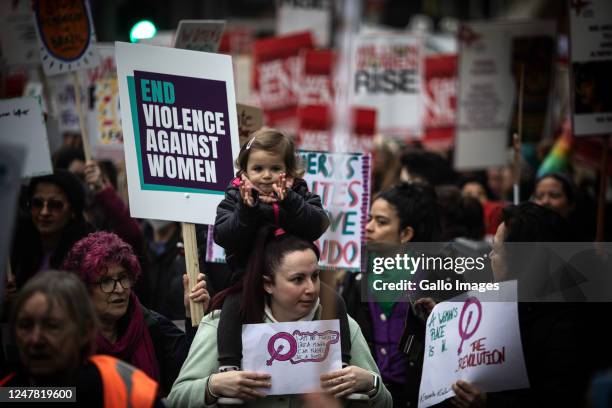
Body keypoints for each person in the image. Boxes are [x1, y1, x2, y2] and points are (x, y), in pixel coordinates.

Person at [167, 228, 393, 407]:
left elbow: (387, 402)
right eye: (298, 279)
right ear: (268, 284)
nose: (312, 288)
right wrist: (212, 386)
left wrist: (371, 384)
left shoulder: (343, 325)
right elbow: (176, 399)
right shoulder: (221, 325)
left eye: (315, 276)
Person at [407, 202, 599, 407]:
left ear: (522, 261)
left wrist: (488, 402)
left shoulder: (565, 325)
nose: (491, 257)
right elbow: (474, 335)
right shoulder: (512, 301)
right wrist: (443, 319)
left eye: (497, 250)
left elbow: (558, 397)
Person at [212, 128, 350, 380]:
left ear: (289, 171)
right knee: (233, 305)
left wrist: (291, 202)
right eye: (258, 168)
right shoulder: (235, 198)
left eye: (275, 168)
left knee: (335, 301)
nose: (266, 176)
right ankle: (229, 365)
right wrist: (246, 210)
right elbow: (223, 235)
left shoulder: (301, 195)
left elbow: (318, 224)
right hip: (248, 276)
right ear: (244, 172)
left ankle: (342, 363)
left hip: (294, 274)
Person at [61, 231, 209, 395]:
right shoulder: (64, 338)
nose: (119, 289)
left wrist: (192, 313)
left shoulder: (152, 325)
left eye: (123, 277)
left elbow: (189, 370)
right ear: (84, 289)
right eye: (106, 281)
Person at [0, 270, 164, 407]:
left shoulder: (125, 388)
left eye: (52, 326)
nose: (35, 339)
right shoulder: (8, 392)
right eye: (25, 325)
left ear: (85, 331)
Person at [342, 182, 441, 407]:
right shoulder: (356, 275)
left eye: (381, 221)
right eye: (369, 219)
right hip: (370, 396)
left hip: (418, 396)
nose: (368, 227)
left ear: (406, 233)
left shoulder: (435, 277)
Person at [10, 170, 93, 289]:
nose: (44, 212)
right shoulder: (16, 244)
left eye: (55, 205)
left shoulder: (87, 254)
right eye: (37, 203)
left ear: (73, 210)